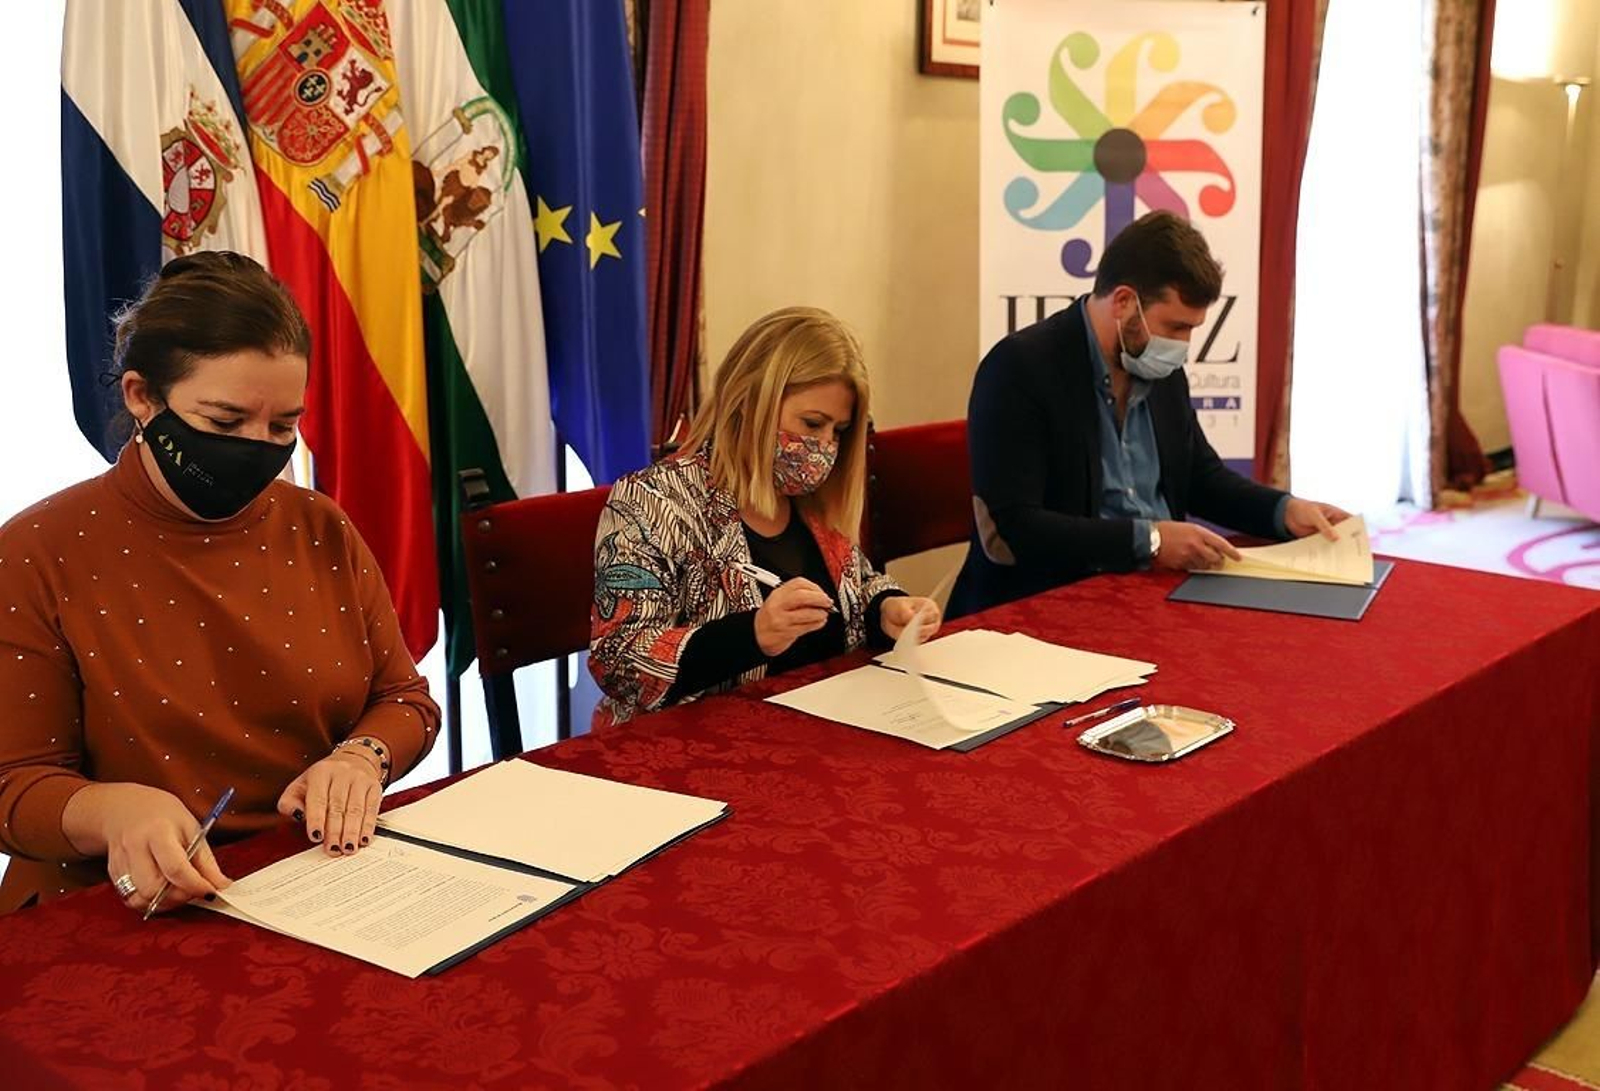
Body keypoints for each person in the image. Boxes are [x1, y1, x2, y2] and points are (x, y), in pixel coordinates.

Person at [0, 252, 439, 916]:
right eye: (225, 423)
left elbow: (405, 698)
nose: (258, 448)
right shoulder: (38, 551)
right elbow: (13, 784)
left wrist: (361, 756)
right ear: (142, 397)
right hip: (119, 907)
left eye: (284, 425)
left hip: (315, 879)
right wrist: (107, 807)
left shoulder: (319, 526)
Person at [949, 211, 1350, 616]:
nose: (1183, 345)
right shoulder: (1022, 368)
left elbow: (1200, 478)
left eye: (1191, 329)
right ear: (1124, 302)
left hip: (1158, 596)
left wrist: (1283, 511)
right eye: (1175, 327)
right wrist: (1150, 541)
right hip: (1051, 605)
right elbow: (1015, 527)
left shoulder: (1156, 367)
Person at [590, 306, 941, 726]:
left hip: (817, 732)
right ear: (748, 401)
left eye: (839, 432)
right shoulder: (654, 501)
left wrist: (885, 609)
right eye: (813, 424)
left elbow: (858, 586)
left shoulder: (809, 500)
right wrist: (753, 634)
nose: (825, 447)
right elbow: (619, 661)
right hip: (691, 748)